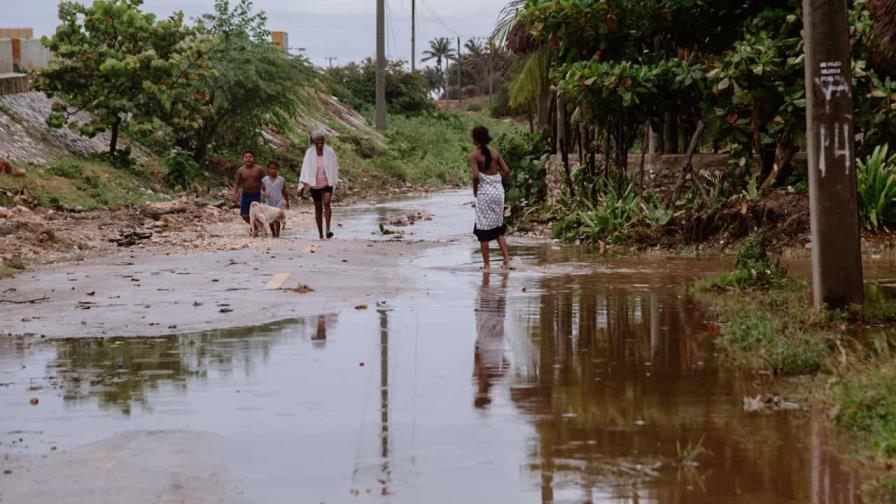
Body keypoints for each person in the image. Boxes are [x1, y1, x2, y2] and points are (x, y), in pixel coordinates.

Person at [470, 125, 511, 271]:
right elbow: (506, 170)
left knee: (483, 232)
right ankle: (507, 260)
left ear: (475, 139)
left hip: (485, 195)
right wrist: (498, 182)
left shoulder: (474, 156)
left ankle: (487, 265)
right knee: (498, 228)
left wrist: (476, 191)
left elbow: (475, 176)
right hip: (498, 193)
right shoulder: (495, 153)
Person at [298, 131, 340, 240]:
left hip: (327, 183)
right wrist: (301, 185)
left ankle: (328, 229)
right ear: (313, 142)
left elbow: (335, 167)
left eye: (322, 140)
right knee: (318, 208)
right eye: (317, 140)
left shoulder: (330, 152)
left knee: (326, 203)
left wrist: (335, 182)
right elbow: (305, 170)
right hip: (314, 184)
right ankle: (321, 234)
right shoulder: (309, 153)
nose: (320, 142)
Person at [232, 150, 265, 224]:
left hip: (256, 194)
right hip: (245, 194)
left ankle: (255, 228)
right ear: (243, 159)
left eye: (250, 157)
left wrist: (264, 190)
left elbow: (265, 181)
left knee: (256, 213)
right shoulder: (241, 170)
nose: (248, 159)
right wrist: (234, 194)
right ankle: (253, 225)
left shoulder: (259, 169)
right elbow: (237, 183)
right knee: (244, 215)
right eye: (246, 157)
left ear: (254, 158)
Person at [262, 160, 290, 237]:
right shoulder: (265, 180)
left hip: (279, 201)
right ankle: (273, 233)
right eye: (271, 168)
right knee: (270, 218)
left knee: (277, 217)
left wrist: (287, 202)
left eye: (275, 168)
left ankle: (277, 234)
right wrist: (264, 193)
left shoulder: (281, 180)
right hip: (269, 202)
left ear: (278, 169)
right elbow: (263, 189)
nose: (273, 170)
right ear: (268, 169)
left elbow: (284, 191)